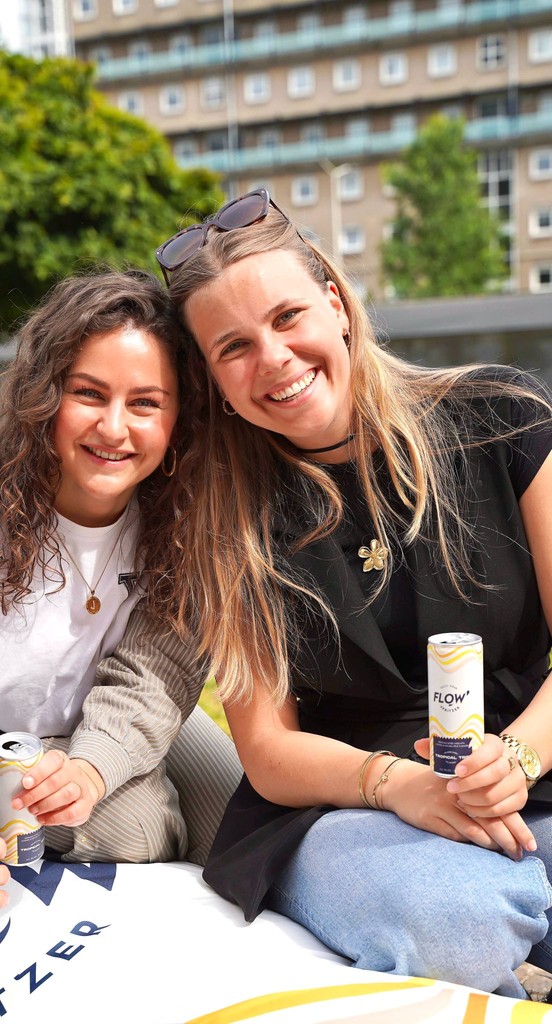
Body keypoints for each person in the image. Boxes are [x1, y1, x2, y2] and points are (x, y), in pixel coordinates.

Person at [154, 188, 552, 1000]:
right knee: (453, 920)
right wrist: (398, 784)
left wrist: (518, 756)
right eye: (233, 347)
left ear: (336, 303)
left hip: (530, 772)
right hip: (346, 807)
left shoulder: (506, 419)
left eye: (288, 316)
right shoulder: (225, 520)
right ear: (215, 381)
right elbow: (267, 749)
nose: (273, 359)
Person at [0, 269, 242, 903]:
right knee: (137, 830)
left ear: (178, 420)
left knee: (245, 833)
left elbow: (153, 679)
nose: (114, 428)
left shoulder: (190, 527)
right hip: (10, 735)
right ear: (45, 396)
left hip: (118, 710)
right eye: (88, 393)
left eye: (145, 402)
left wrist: (88, 769)